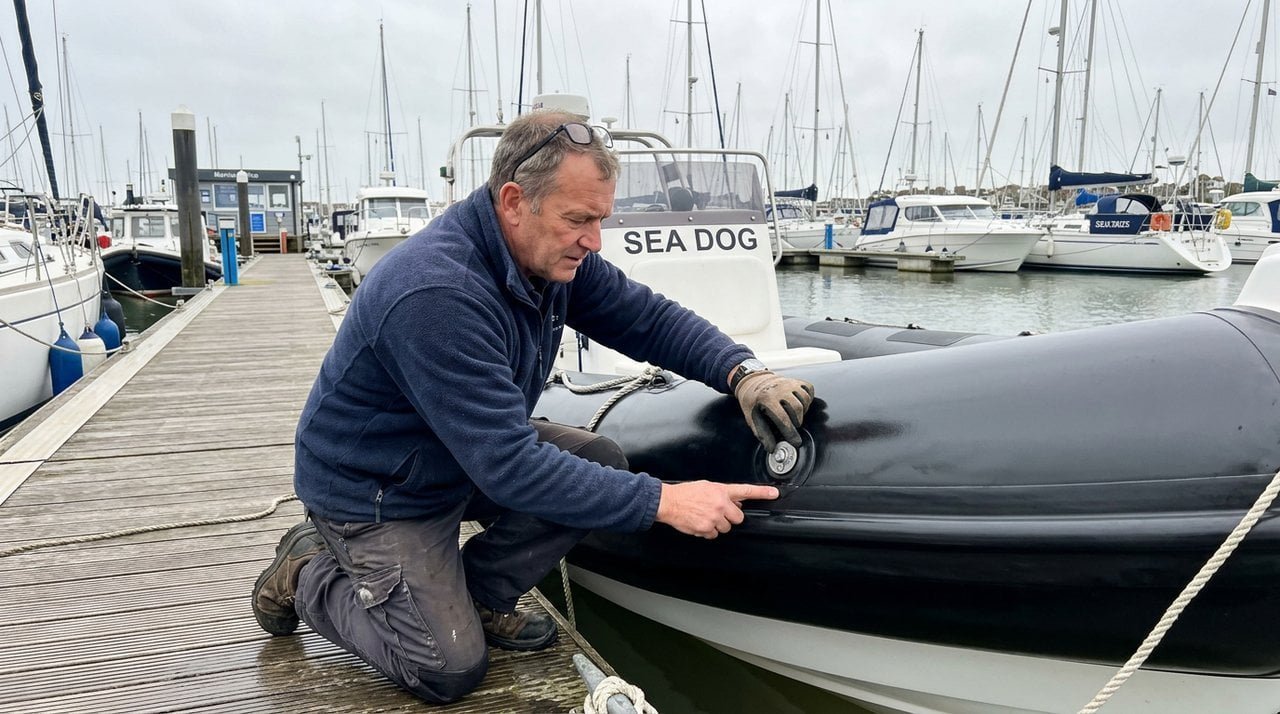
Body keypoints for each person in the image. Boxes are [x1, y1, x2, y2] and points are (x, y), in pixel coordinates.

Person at [251, 109, 815, 704]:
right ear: (515, 201)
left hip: (455, 456)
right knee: (445, 668)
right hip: (378, 490)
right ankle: (306, 569)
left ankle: (480, 595)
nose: (594, 240)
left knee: (599, 459)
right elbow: (509, 467)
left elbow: (645, 318)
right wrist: (667, 501)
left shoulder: (547, 258)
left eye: (600, 219)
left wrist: (742, 372)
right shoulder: (436, 292)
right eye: (578, 220)